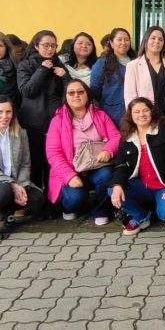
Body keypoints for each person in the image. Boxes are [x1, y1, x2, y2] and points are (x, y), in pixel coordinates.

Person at [109, 97, 165, 235]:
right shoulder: (126, 136)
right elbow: (120, 165)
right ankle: (140, 216)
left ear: (152, 112)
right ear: (130, 115)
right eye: (137, 112)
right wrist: (117, 185)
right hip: (143, 186)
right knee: (113, 190)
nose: (141, 115)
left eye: (145, 110)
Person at [46, 79, 120, 224]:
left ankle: (99, 210)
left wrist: (108, 150)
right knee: (74, 199)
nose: (76, 96)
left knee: (108, 174)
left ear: (87, 94)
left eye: (80, 92)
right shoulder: (57, 121)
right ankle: (68, 208)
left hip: (96, 165)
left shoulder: (100, 115)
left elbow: (116, 136)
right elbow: (53, 153)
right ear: (65, 97)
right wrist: (69, 176)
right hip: (70, 168)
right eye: (71, 93)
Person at [17, 30, 70, 196]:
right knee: (34, 164)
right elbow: (27, 90)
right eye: (46, 45)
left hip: (55, 124)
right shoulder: (26, 65)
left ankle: (51, 201)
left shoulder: (59, 65)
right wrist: (41, 70)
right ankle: (36, 203)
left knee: (52, 165)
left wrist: (65, 76)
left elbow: (70, 92)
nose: (50, 49)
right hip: (32, 124)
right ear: (36, 45)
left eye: (53, 45)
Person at [0, 95, 44, 240]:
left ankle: (8, 214)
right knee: (4, 190)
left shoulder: (20, 133)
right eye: (0, 112)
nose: (4, 116)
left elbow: (25, 163)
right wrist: (11, 184)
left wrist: (20, 185)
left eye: (8, 112)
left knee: (37, 198)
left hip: (15, 182)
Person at [124, 26, 165, 130]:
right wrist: (135, 117)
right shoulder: (133, 65)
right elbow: (130, 96)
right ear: (146, 40)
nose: (157, 41)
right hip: (145, 117)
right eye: (153, 38)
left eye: (160, 39)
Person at [91, 28, 136, 128]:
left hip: (135, 111)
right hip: (112, 113)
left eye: (126, 39)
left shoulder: (137, 61)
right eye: (119, 39)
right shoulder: (102, 63)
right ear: (111, 43)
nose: (123, 43)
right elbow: (95, 89)